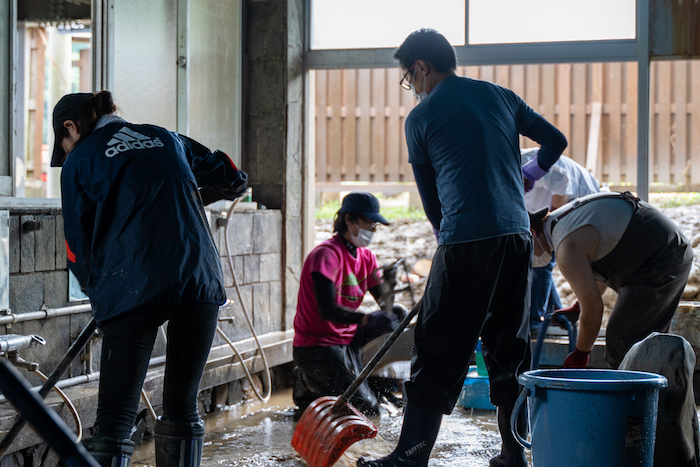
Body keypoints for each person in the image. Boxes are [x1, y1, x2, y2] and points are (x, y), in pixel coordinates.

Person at [358, 29, 568, 467]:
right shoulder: (502, 97)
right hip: (516, 240)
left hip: (465, 241)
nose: (411, 88)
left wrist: (450, 251)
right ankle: (514, 455)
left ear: (420, 67)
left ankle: (410, 457)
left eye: (408, 79)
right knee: (509, 349)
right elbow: (555, 142)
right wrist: (530, 170)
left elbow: (433, 203)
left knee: (437, 347)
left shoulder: (421, 117)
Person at [52, 91, 248, 467]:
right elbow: (231, 174)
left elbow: (77, 247)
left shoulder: (81, 160)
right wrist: (186, 194)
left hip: (132, 286)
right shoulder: (166, 137)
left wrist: (99, 296)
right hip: (199, 281)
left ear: (71, 127)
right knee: (182, 407)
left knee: (114, 421)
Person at [529, 191, 693, 369]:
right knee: (638, 344)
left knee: (623, 341)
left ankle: (638, 394)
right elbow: (603, 263)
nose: (531, 262)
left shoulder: (566, 248)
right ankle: (646, 390)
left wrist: (580, 355)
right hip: (666, 250)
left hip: (662, 258)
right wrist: (578, 307)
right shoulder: (563, 220)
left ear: (531, 233)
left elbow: (594, 310)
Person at [293, 192, 406, 417]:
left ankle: (373, 388)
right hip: (317, 345)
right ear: (349, 220)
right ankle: (308, 384)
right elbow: (327, 310)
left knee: (399, 315)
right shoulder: (325, 255)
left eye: (376, 224)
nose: (373, 228)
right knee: (367, 411)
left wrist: (389, 285)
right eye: (369, 222)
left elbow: (386, 306)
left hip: (348, 341)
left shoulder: (366, 257)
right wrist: (365, 319)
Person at [522, 148, 600, 331]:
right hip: (547, 208)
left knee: (542, 261)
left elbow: (561, 180)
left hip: (580, 198)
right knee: (537, 260)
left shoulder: (523, 164)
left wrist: (551, 220)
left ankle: (534, 321)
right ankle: (557, 315)